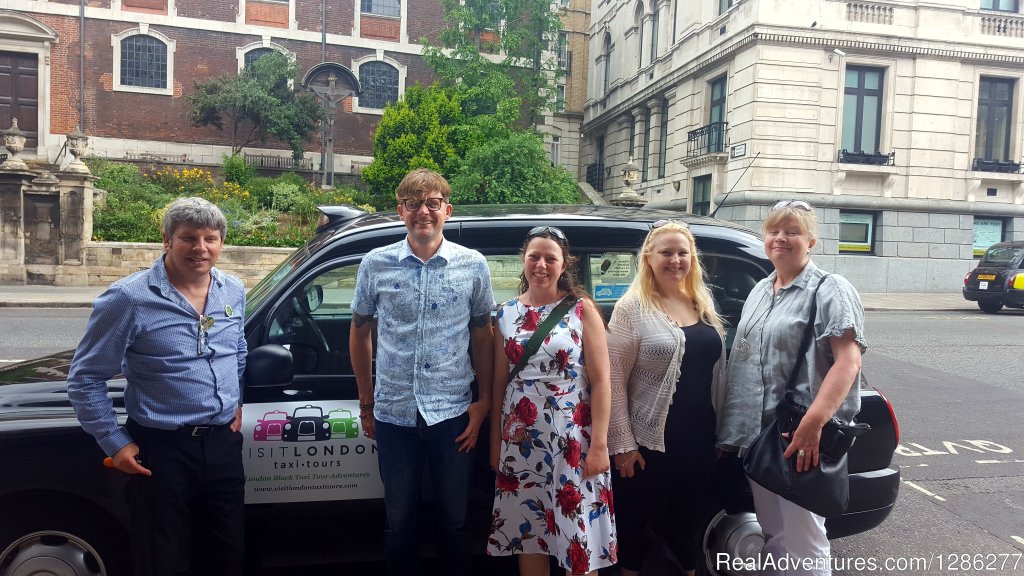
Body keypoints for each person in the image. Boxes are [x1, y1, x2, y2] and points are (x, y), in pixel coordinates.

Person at [67, 197, 247, 576]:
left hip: (222, 445)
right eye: (189, 238)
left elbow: (238, 348)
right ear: (167, 240)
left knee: (226, 551)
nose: (200, 248)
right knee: (163, 556)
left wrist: (236, 400)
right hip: (162, 448)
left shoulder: (233, 290)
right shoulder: (129, 298)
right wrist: (114, 441)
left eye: (210, 238)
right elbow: (85, 377)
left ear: (221, 243)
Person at [349, 168, 495, 576]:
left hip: (453, 414)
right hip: (393, 414)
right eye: (414, 204)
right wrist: (366, 403)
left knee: (455, 519)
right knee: (399, 520)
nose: (423, 212)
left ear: (447, 210)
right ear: (401, 211)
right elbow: (360, 332)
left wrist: (483, 402)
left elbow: (482, 334)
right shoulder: (376, 264)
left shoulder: (473, 265)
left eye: (432, 203)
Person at [717, 200, 866, 576]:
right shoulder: (760, 290)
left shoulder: (830, 289)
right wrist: (730, 434)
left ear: (811, 240)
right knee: (774, 535)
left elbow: (848, 362)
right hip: (759, 438)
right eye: (774, 231)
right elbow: (744, 365)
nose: (780, 238)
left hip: (798, 437)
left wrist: (814, 423)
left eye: (792, 231)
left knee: (805, 542)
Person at [487, 226, 616, 576]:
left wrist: (600, 445)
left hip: (572, 438)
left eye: (550, 258)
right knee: (530, 535)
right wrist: (496, 442)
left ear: (564, 264)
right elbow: (500, 384)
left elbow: (603, 381)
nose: (541, 265)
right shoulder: (504, 313)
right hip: (520, 439)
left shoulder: (581, 310)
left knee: (578, 537)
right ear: (522, 260)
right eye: (534, 257)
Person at [606, 220, 728, 576]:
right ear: (648, 257)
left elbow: (717, 371)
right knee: (635, 533)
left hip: (700, 441)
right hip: (648, 446)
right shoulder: (633, 307)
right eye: (666, 252)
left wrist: (722, 434)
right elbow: (613, 379)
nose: (675, 260)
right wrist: (624, 445)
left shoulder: (700, 302)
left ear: (692, 258)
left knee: (689, 528)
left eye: (682, 253)